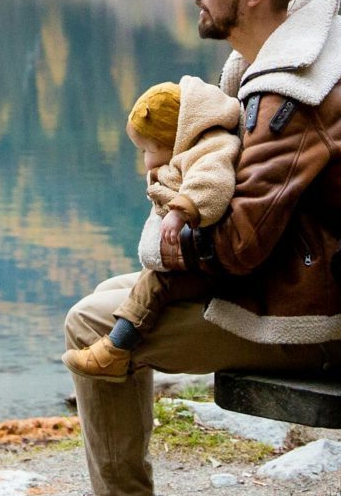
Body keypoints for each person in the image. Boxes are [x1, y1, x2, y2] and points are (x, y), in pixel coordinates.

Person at [38, 0, 341, 496]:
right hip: (301, 286)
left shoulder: (287, 98)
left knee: (93, 321)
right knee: (112, 294)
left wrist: (171, 229)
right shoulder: (282, 67)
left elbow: (241, 246)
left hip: (299, 319)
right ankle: (115, 493)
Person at [62, 74, 239, 380]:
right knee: (110, 288)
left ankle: (116, 349)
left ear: (173, 139)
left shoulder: (212, 147)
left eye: (147, 150)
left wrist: (181, 211)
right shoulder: (193, 145)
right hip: (200, 261)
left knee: (156, 283)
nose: (145, 161)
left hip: (213, 269)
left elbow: (213, 183)